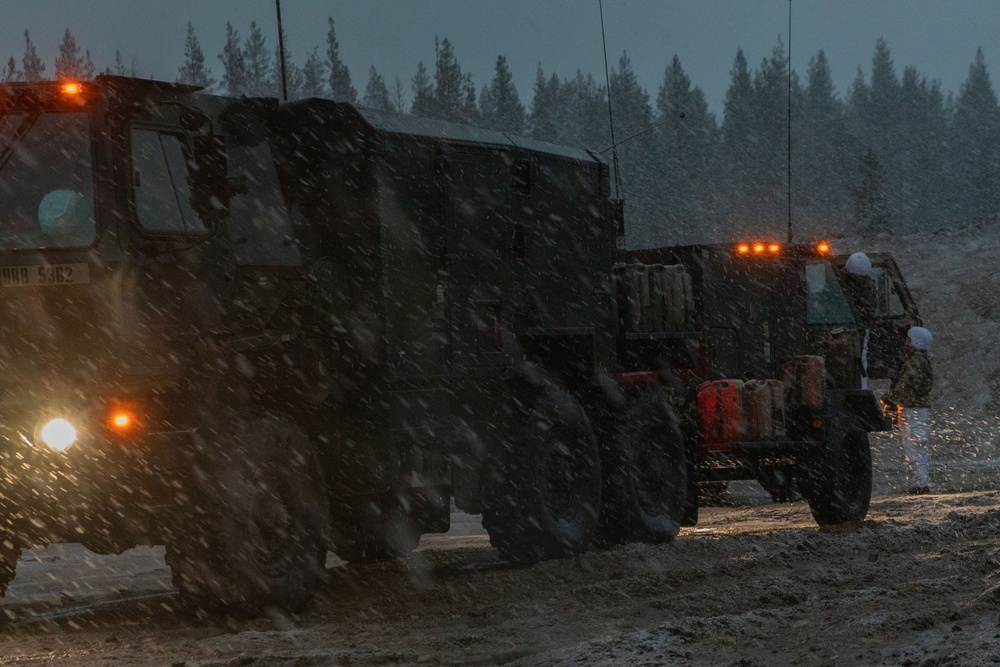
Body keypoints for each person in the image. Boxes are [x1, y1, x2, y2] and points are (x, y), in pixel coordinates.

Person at [883, 326, 934, 495]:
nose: (905, 343)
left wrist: (887, 398)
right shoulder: (921, 360)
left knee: (913, 446)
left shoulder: (915, 362)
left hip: (912, 409)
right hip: (917, 408)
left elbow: (906, 386)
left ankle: (919, 485)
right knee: (917, 445)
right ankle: (920, 483)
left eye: (908, 340)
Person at [842, 251, 877, 389]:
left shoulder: (868, 286)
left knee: (860, 363)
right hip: (848, 327)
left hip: (857, 329)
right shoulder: (838, 279)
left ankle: (860, 389)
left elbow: (869, 310)